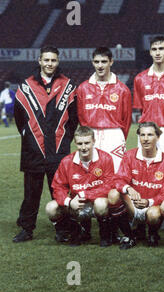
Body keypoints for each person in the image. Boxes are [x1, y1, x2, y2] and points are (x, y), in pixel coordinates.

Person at [13, 46, 78, 243]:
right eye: (46, 60)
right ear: (39, 61)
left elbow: (73, 119)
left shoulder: (68, 86)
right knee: (31, 194)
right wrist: (29, 136)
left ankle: (63, 229)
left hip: (58, 150)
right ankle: (26, 229)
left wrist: (64, 139)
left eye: (53, 60)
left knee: (59, 192)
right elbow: (19, 118)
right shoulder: (26, 86)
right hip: (33, 150)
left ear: (58, 62)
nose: (50, 64)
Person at [108, 122, 164, 249]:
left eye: (150, 135)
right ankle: (129, 235)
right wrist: (128, 188)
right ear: (139, 137)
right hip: (132, 205)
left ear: (158, 137)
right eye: (142, 135)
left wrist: (149, 202)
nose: (145, 139)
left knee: (153, 215)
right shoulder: (129, 156)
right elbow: (118, 179)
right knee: (113, 194)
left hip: (152, 206)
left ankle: (153, 233)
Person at [45, 126, 115, 247]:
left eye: (87, 143)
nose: (83, 147)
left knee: (101, 204)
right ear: (75, 143)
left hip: (95, 203)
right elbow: (57, 187)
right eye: (80, 143)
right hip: (76, 205)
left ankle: (105, 235)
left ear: (94, 141)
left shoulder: (105, 158)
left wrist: (84, 195)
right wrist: (68, 201)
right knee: (51, 208)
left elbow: (108, 185)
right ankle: (69, 232)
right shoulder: (67, 162)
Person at [76, 47, 132, 172]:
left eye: (104, 62)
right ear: (92, 62)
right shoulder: (83, 88)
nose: (100, 65)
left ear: (111, 62)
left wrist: (118, 136)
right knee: (90, 174)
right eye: (97, 62)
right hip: (90, 134)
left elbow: (126, 120)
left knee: (116, 173)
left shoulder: (122, 89)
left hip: (114, 135)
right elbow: (81, 116)